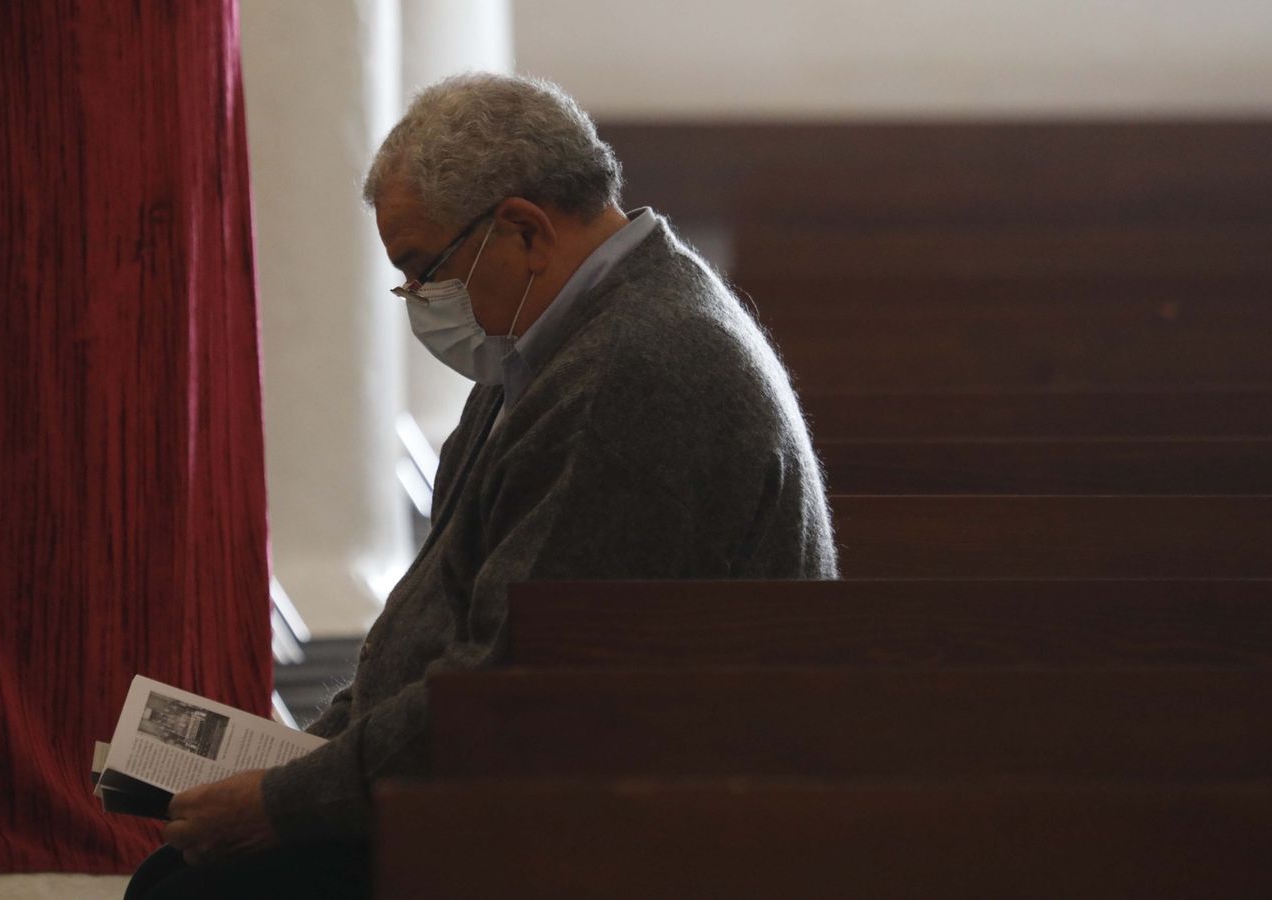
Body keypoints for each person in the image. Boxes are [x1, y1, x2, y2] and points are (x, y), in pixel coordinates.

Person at [125, 72, 837, 900]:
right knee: (181, 873)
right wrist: (304, 763)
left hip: (619, 833)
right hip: (527, 792)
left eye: (423, 269)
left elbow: (511, 690)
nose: (419, 301)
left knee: (189, 894)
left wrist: (283, 803)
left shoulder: (634, 371)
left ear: (524, 230)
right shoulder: (556, 344)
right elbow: (445, 618)